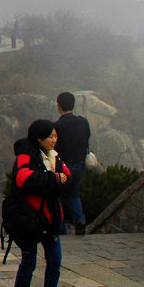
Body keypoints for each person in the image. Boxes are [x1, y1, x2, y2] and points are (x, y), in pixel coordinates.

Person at [10, 119, 71, 287]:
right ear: (39, 138)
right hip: (30, 218)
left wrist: (53, 180)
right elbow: (24, 180)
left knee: (55, 260)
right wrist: (53, 179)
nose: (55, 140)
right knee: (29, 261)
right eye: (51, 136)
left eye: (55, 136)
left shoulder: (54, 156)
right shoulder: (26, 156)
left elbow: (67, 177)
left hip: (51, 217)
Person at [54, 92, 90, 235]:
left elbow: (54, 147)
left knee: (57, 197)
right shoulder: (83, 122)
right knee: (74, 194)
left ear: (59, 105)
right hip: (80, 164)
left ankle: (61, 228)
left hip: (64, 166)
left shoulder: (58, 126)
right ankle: (79, 221)